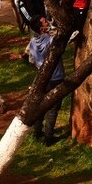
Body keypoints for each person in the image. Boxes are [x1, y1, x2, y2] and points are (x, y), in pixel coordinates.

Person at [26, 14, 65, 145]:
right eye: (45, 22)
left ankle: (37, 132)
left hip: (42, 78)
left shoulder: (32, 42)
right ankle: (48, 138)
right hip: (56, 78)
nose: (48, 22)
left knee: (41, 106)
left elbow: (31, 60)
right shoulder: (51, 40)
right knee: (53, 108)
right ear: (42, 29)